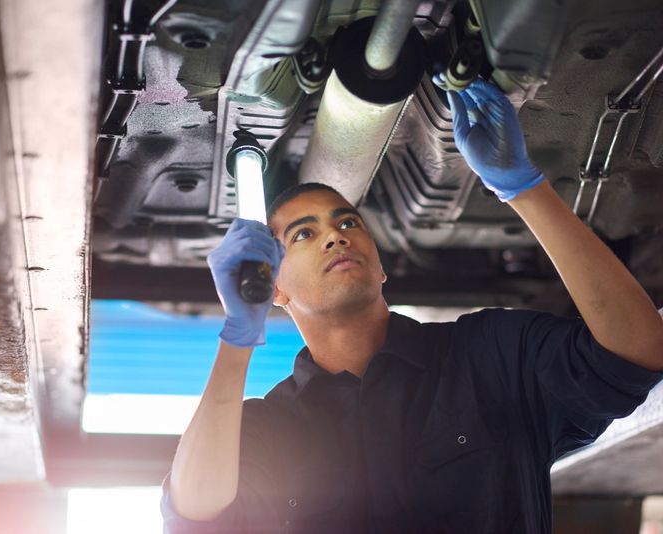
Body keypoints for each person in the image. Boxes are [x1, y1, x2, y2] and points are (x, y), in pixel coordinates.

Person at [159, 78, 663, 533]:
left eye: (347, 222)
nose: (334, 236)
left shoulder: (491, 355)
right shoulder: (271, 429)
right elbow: (195, 517)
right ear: (277, 291)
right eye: (304, 234)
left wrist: (526, 190)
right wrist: (237, 335)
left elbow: (638, 352)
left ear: (380, 267)